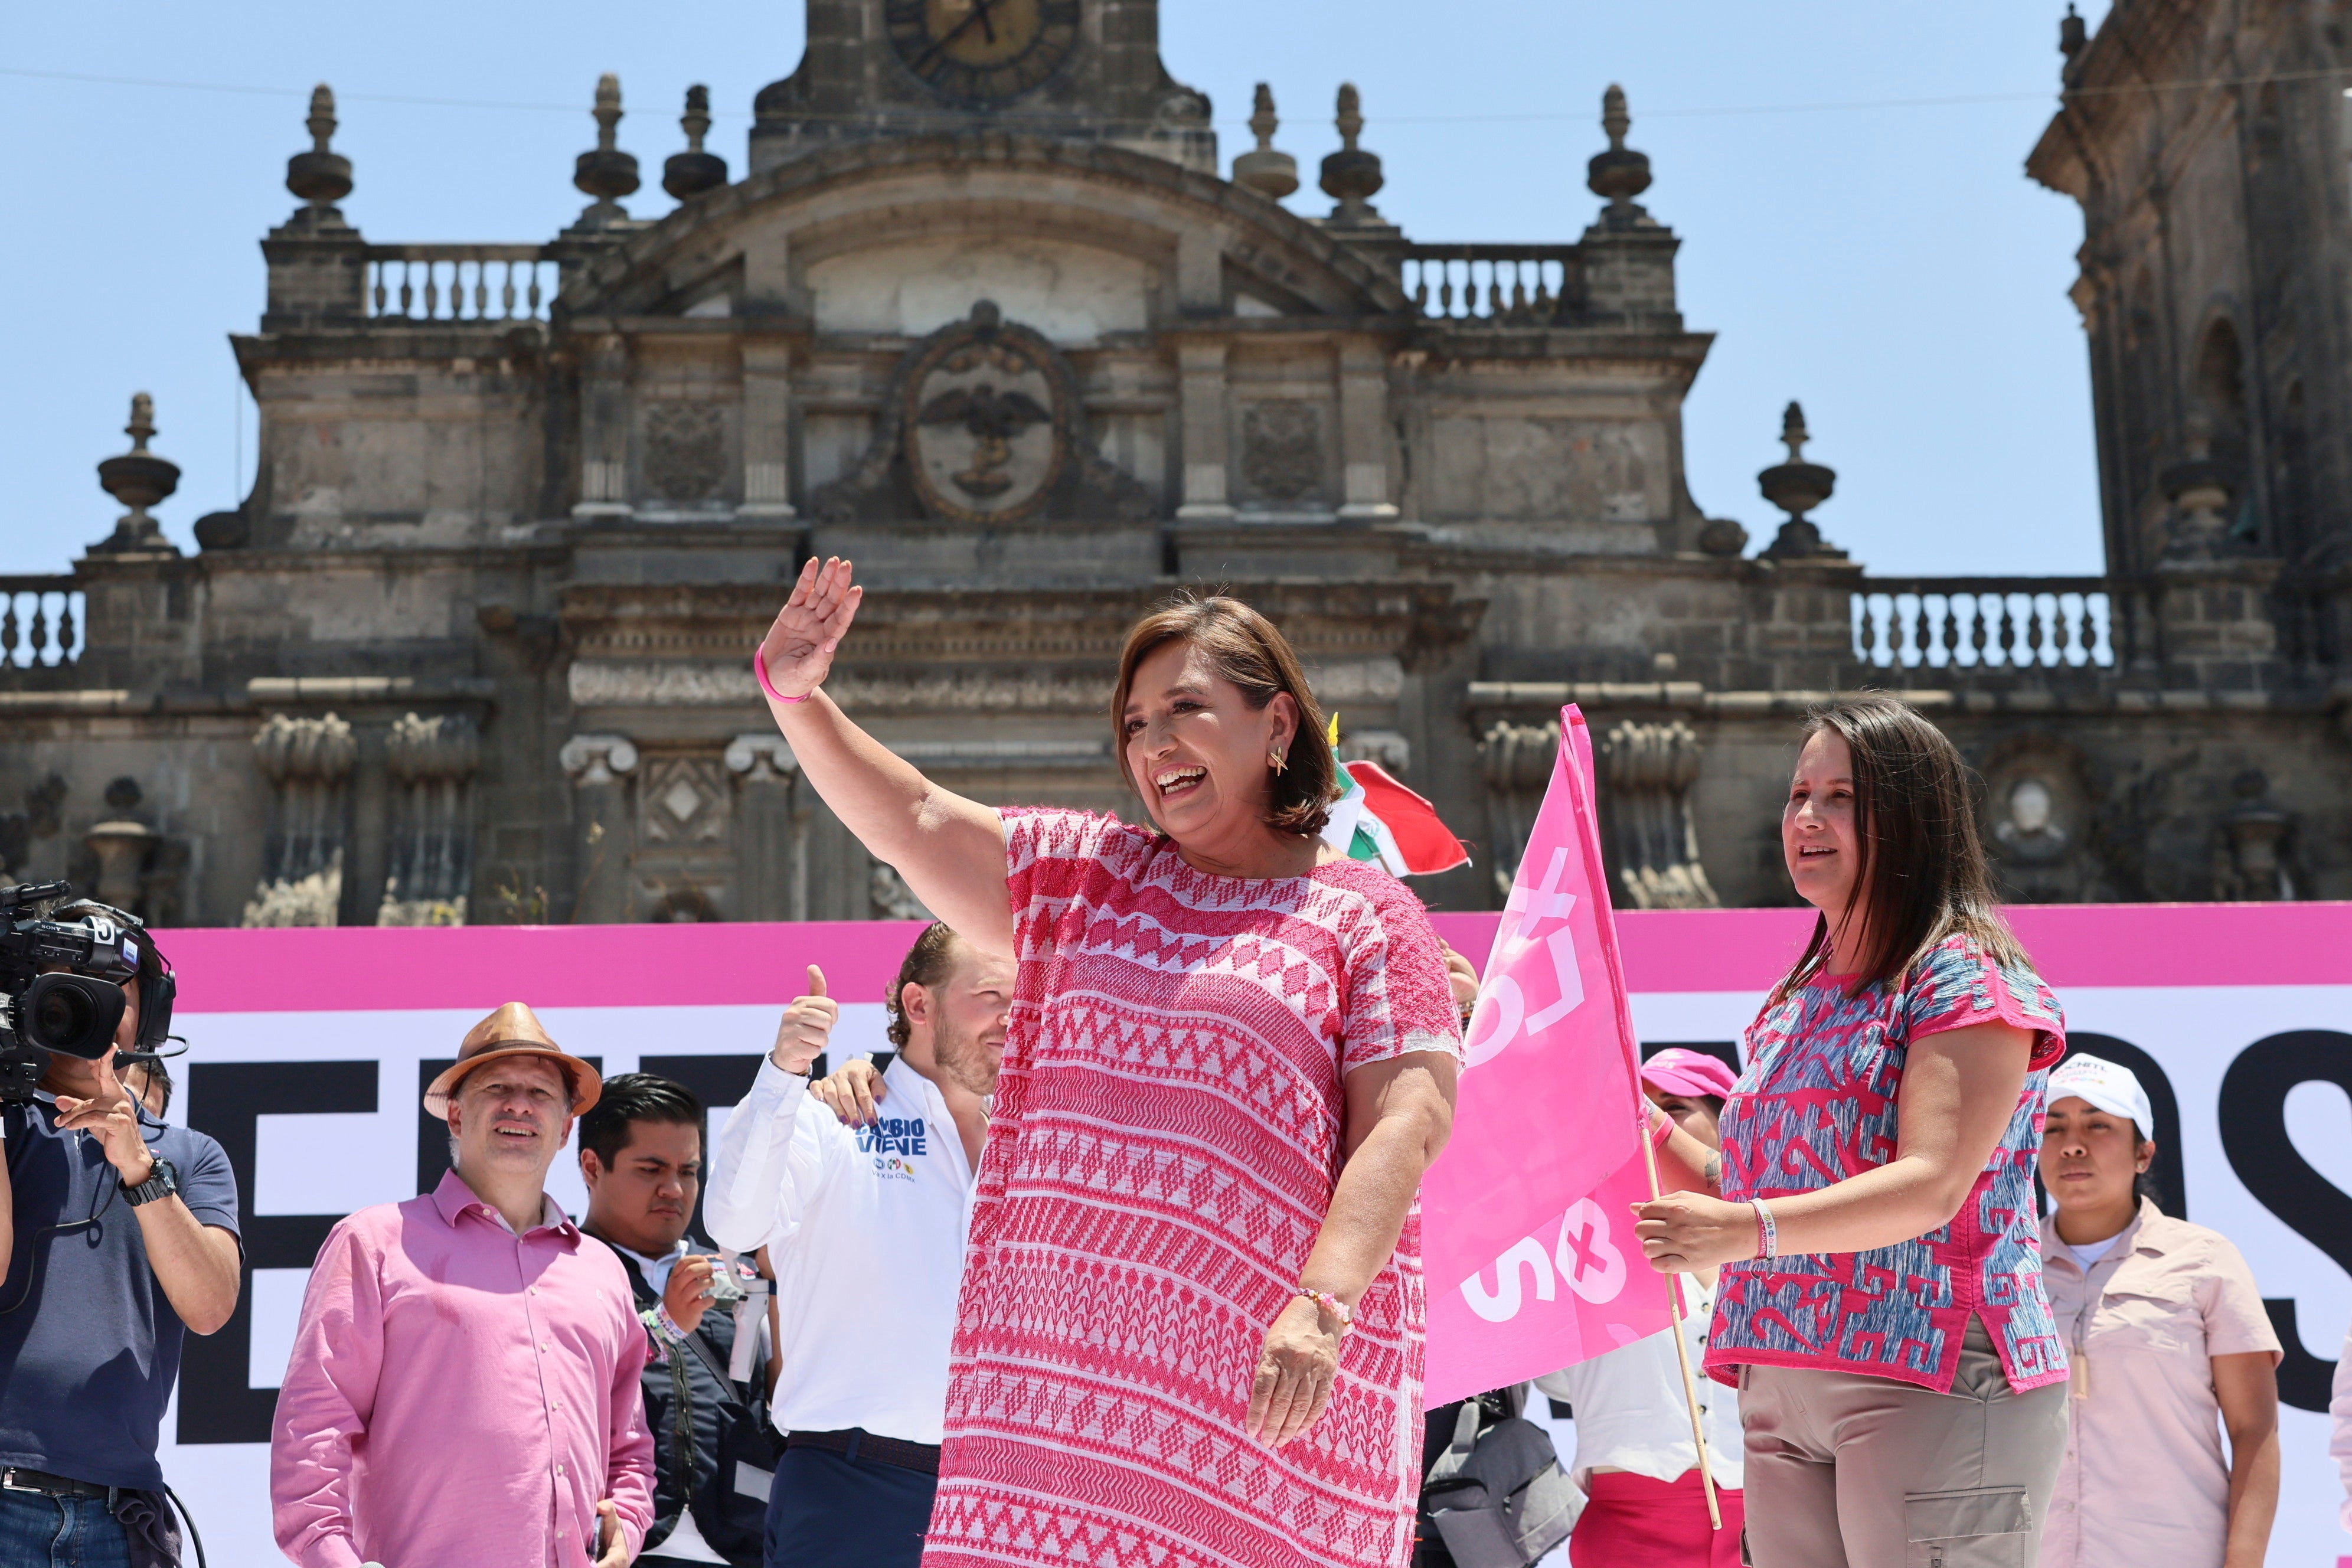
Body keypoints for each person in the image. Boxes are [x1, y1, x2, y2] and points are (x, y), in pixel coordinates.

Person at [753, 564, 1462, 1568]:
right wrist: (797, 698)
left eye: (1185, 709)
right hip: (1063, 1431)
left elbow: (1405, 1119)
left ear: (1277, 728)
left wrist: (1322, 1303)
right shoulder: (1089, 879)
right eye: (1134, 723)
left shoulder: (1361, 913)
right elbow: (911, 816)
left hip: (1272, 1407)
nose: (1154, 744)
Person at [1633, 694, 2071, 1568]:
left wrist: (1749, 1232)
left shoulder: (1965, 979)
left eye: (1841, 797)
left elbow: (1931, 1182)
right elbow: (1746, 1194)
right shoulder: (1793, 1004)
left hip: (1930, 1373)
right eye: (1799, 795)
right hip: (1776, 1378)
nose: (1807, 817)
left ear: (1912, 819)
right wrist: (1592, 1085)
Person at [270, 1002, 654, 1568]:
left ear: (567, 1127)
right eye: (497, 1086)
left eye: (542, 1093)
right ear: (455, 1116)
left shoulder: (601, 1270)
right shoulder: (376, 1242)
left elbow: (630, 1446)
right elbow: (314, 1427)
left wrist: (628, 1522)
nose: (519, 1105)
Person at [705, 927, 1007, 1568]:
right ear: (918, 1006)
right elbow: (734, 1225)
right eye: (991, 995)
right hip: (856, 1486)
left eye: (1025, 996)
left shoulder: (1038, 1137)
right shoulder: (831, 1116)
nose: (1016, 1016)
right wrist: (785, 1072)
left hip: (1010, 1495)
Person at [0, 904, 237, 1568]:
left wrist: (140, 1168)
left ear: (149, 1017)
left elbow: (212, 1305)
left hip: (120, 1516)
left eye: (110, 989)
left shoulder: (194, 1156)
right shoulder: (6, 1128)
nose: (86, 1004)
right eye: (64, 983)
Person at [2036, 1054, 2279, 1568]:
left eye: (2098, 1125)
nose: (2073, 1144)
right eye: (2053, 1128)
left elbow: (2254, 1430)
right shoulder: (2004, 1268)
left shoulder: (2206, 1260)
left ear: (2144, 1154)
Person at [1541, 1049, 1745, 1568]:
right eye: (1637, 1109)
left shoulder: (1771, 1240)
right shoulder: (1583, 1237)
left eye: (1672, 1107)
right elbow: (1554, 1376)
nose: (1650, 1124)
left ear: (1728, 1125)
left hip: (1767, 1519)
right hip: (1626, 1529)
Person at [579, 1073, 772, 1568]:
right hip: (611, 1546)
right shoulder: (556, 1273)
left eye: (689, 1170)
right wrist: (664, 1323)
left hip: (741, 1545)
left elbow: (781, 1401)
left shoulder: (743, 1276)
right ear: (592, 1167)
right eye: (651, 1169)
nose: (674, 1188)